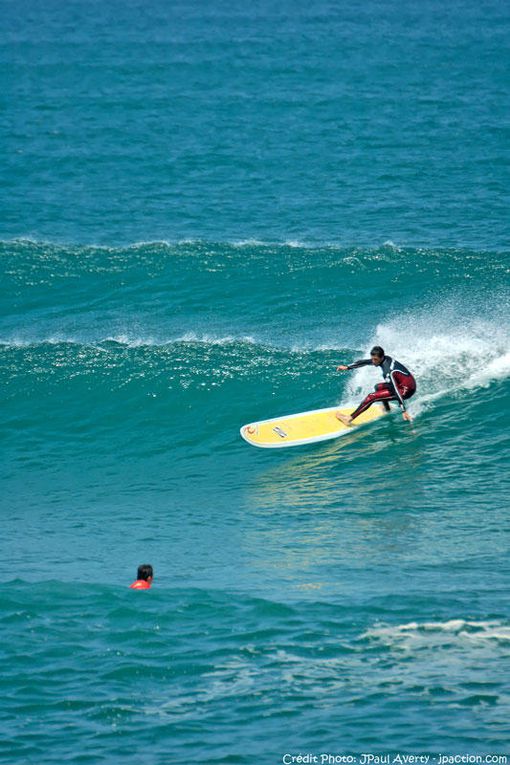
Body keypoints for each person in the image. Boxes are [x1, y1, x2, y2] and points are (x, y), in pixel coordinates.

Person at [336, 345, 416, 425]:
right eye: (372, 359)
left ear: (381, 358)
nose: (373, 362)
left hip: (406, 390)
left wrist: (403, 410)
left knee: (371, 397)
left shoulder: (388, 371)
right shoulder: (383, 359)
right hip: (405, 383)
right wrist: (347, 367)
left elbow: (396, 390)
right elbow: (365, 362)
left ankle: (349, 419)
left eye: (375, 360)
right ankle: (387, 409)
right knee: (378, 387)